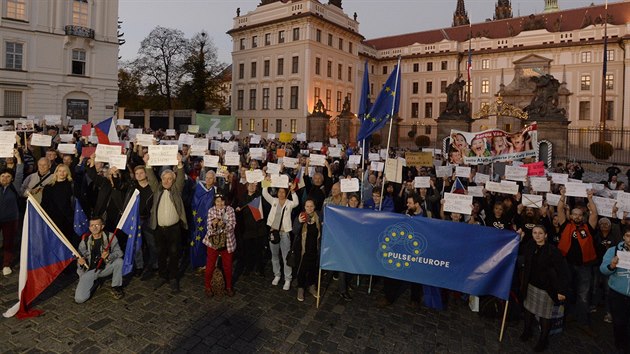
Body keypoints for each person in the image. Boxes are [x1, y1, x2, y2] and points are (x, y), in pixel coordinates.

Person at [520, 225, 569, 352]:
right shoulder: (530, 246)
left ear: (546, 235)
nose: (537, 235)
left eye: (540, 233)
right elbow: (520, 254)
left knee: (545, 316)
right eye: (535, 233)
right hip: (530, 285)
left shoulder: (553, 251)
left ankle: (543, 340)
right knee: (528, 309)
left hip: (546, 289)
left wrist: (561, 291)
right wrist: (519, 239)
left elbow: (563, 272)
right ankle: (527, 331)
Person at [557, 187, 599, 332]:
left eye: (579, 215)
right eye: (574, 214)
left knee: (583, 294)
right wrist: (563, 196)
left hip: (584, 266)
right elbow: (560, 209)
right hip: (567, 265)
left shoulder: (588, 227)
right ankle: (569, 315)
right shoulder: (565, 226)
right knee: (568, 291)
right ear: (571, 216)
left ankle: (583, 321)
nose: (576, 216)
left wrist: (590, 198)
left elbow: (594, 213)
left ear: (583, 216)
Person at [144, 152, 187, 293]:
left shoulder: (176, 190)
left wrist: (180, 164)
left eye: (170, 179)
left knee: (174, 253)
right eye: (164, 178)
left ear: (173, 181)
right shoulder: (157, 190)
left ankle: (173, 277)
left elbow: (180, 178)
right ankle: (162, 276)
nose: (167, 181)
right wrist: (148, 164)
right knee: (160, 252)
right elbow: (150, 178)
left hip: (174, 229)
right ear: (161, 179)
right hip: (158, 229)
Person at [75, 216, 124, 303]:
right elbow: (79, 257)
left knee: (119, 262)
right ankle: (95, 282)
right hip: (90, 270)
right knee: (80, 299)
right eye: (92, 225)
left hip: (105, 268)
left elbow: (119, 253)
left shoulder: (110, 236)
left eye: (97, 225)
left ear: (102, 226)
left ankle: (116, 287)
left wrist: (109, 256)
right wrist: (80, 262)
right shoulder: (85, 241)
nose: (94, 227)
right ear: (89, 227)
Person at [262, 179, 299, 291]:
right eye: (279, 192)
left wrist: (293, 191)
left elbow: (296, 202)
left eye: (283, 192)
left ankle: (288, 278)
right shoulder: (273, 201)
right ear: (277, 193)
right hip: (273, 232)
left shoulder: (289, 203)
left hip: (284, 233)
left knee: (285, 257)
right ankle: (277, 274)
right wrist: (266, 182)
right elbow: (264, 193)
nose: (281, 194)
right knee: (274, 255)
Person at [599, 227, 630, 353]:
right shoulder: (614, 250)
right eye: (628, 235)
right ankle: (620, 344)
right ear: (624, 237)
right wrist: (611, 266)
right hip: (618, 294)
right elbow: (603, 269)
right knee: (619, 322)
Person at [203, 194, 237, 297]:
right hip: (213, 243)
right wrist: (214, 224)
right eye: (218, 201)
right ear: (214, 202)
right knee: (210, 266)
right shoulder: (211, 210)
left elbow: (232, 225)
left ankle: (228, 287)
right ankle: (208, 287)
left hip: (227, 243)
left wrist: (224, 225)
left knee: (228, 266)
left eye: (222, 201)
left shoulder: (230, 210)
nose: (220, 204)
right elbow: (209, 227)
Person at [291, 199, 321, 302]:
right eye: (307, 206)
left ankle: (312, 287)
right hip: (302, 250)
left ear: (314, 207)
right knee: (302, 270)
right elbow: (294, 231)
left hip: (314, 249)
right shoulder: (301, 216)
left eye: (311, 206)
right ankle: (301, 288)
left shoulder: (318, 216)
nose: (309, 208)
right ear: (304, 207)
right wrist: (299, 223)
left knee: (313, 269)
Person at [41, 164, 77, 246]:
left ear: (67, 173)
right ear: (56, 172)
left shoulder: (72, 186)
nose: (62, 173)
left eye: (64, 171)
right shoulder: (48, 187)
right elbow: (44, 204)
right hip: (52, 220)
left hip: (67, 220)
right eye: (59, 171)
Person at [235, 182, 267, 276]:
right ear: (247, 186)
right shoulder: (243, 197)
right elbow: (239, 208)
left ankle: (260, 268)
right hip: (247, 229)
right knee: (248, 251)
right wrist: (237, 209)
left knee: (259, 250)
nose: (252, 187)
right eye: (250, 185)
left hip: (259, 228)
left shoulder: (259, 196)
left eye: (254, 185)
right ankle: (248, 268)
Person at [0, 150, 23, 276]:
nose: (5, 178)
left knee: (8, 242)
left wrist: (18, 157)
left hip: (11, 219)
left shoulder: (15, 186)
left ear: (12, 178)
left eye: (8, 176)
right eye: (2, 176)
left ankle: (6, 264)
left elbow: (19, 172)